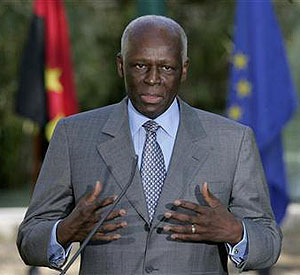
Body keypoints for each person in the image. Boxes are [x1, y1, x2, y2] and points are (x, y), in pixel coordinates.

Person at [17, 15, 282, 275]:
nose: (153, 78)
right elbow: (30, 240)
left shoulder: (233, 140)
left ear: (184, 69)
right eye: (140, 66)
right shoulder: (73, 135)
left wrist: (235, 232)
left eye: (166, 67)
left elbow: (269, 244)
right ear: (121, 65)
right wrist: (64, 231)